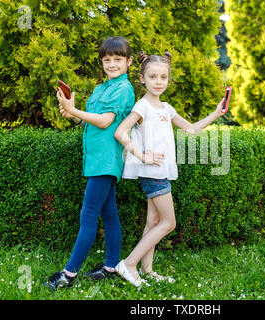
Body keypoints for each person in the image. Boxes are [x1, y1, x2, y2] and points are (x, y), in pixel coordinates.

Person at [113, 51, 226, 287]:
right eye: (153, 77)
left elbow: (192, 129)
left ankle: (147, 269)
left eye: (163, 77)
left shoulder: (167, 108)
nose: (158, 82)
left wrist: (216, 113)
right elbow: (120, 132)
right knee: (168, 223)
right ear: (142, 78)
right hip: (152, 172)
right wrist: (142, 155)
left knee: (153, 221)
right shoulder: (142, 106)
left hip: (162, 171)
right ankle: (129, 264)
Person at [43, 36, 135, 290]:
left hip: (107, 159)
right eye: (107, 60)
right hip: (96, 159)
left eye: (118, 59)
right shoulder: (101, 88)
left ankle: (68, 275)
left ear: (128, 62)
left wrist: (74, 110)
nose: (112, 64)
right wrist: (73, 115)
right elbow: (91, 121)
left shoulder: (123, 88)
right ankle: (111, 267)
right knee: (109, 214)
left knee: (88, 215)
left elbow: (106, 121)